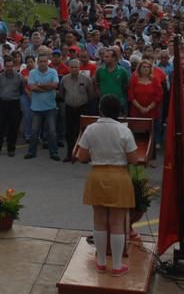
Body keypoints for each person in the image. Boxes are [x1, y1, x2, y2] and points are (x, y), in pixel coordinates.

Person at [76, 94, 138, 278]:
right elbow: (134, 159)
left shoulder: (90, 129)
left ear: (100, 109)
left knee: (99, 220)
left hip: (97, 175)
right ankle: (117, 266)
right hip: (119, 176)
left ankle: (101, 262)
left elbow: (82, 157)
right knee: (118, 222)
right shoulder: (124, 131)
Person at [59, 57, 95, 162]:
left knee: (83, 132)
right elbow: (62, 93)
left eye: (76, 67)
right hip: (69, 108)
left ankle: (84, 155)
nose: (74, 69)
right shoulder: (64, 79)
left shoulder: (86, 79)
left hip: (82, 107)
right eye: (72, 67)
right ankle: (70, 154)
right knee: (69, 132)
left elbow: (91, 94)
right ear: (69, 68)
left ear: (79, 68)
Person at [25, 54, 60, 160]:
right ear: (38, 62)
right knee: (34, 131)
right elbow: (32, 87)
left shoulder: (53, 71)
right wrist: (47, 87)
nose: (43, 63)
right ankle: (32, 152)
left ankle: (54, 153)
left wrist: (39, 84)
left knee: (52, 132)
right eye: (41, 61)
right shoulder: (32, 72)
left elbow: (55, 86)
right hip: (36, 107)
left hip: (50, 107)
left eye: (45, 61)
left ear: (47, 62)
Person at [0, 57, 24, 157]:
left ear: (13, 66)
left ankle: (11, 149)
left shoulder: (19, 77)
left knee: (13, 128)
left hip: (14, 104)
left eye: (11, 66)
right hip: (2, 104)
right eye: (7, 66)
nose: (9, 68)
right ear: (4, 67)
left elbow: (22, 90)